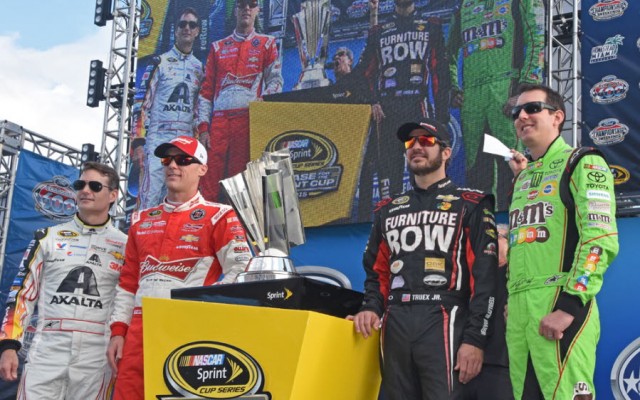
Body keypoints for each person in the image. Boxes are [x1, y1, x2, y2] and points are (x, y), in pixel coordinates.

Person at [352, 118, 497, 399]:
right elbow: (377, 272)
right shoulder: (388, 209)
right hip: (395, 321)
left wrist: (475, 339)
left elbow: (485, 279)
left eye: (426, 141)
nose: (417, 147)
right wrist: (371, 307)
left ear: (446, 152)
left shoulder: (472, 204)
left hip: (444, 316)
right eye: (411, 142)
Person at [107, 136, 252, 400]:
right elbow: (128, 283)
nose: (173, 165)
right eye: (167, 159)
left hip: (190, 325)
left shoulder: (219, 215)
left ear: (202, 169)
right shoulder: (141, 220)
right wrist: (118, 332)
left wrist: (205, 308)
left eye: (183, 159)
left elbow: (241, 268)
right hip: (140, 326)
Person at [506, 83, 619, 399]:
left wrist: (569, 305)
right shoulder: (524, 176)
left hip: (559, 302)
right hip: (519, 313)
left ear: (558, 117)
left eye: (532, 108)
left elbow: (600, 240)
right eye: (517, 112)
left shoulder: (583, 161)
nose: (522, 116)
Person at [0, 162, 126, 399]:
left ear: (112, 195)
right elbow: (21, 293)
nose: (85, 190)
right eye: (81, 184)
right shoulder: (47, 237)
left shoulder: (126, 245)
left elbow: (127, 301)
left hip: (97, 355)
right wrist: (9, 345)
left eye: (95, 186)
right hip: (48, 349)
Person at [447, 0, 545, 210]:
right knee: (476, 169)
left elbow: (536, 39)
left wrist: (524, 91)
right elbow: (448, 54)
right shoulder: (463, 7)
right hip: (472, 97)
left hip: (506, 90)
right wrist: (453, 88)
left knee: (510, 162)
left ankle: (515, 221)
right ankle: (479, 229)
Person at [353, 0, 450, 200]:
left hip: (417, 105)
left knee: (422, 163)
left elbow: (440, 72)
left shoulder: (431, 25)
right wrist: (372, 101)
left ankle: (425, 212)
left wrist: (441, 116)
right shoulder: (379, 31)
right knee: (388, 169)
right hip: (387, 110)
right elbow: (364, 74)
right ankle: (391, 215)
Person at [196, 0, 283, 202]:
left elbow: (275, 81)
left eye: (251, 5)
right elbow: (205, 92)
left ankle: (238, 230)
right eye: (242, 5)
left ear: (257, 11)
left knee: (240, 183)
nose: (246, 9)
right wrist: (203, 129)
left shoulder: (267, 43)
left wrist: (261, 109)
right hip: (219, 123)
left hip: (247, 120)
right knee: (209, 179)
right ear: (235, 10)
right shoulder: (218, 47)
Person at [133, 7, 204, 210]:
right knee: (149, 198)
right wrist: (138, 142)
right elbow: (141, 103)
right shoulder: (159, 62)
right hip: (158, 138)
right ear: (175, 29)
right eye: (182, 24)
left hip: (185, 141)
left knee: (178, 202)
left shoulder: (200, 68)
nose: (187, 28)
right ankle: (140, 239)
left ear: (198, 31)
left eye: (192, 25)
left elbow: (200, 110)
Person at [463, 224, 513, 400]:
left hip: (500, 366)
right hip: (463, 365)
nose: (491, 241)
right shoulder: (469, 275)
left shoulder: (516, 278)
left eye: (498, 236)